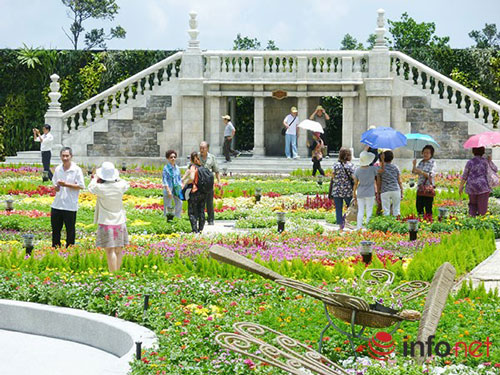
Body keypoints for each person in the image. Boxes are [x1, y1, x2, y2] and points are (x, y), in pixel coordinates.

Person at [88, 162, 129, 272]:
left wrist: (95, 178)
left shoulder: (101, 188)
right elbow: (125, 183)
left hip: (106, 222)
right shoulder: (120, 186)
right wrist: (115, 178)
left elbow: (91, 187)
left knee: (110, 251)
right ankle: (117, 273)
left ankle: (113, 275)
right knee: (119, 250)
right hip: (120, 220)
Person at [51, 147, 85, 247]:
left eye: (67, 156)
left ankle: (70, 251)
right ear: (60, 156)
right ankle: (56, 250)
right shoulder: (58, 169)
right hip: (57, 205)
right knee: (55, 231)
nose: (65, 158)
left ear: (71, 156)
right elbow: (55, 185)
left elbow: (81, 186)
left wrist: (65, 184)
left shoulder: (76, 170)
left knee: (70, 231)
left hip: (70, 205)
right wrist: (56, 187)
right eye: (63, 156)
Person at [459, 147, 497, 216]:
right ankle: (481, 222)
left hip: (472, 187)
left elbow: (465, 175)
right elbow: (495, 169)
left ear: (473, 151)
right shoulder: (485, 161)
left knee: (472, 205)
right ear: (483, 152)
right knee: (482, 207)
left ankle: (471, 221)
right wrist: (490, 161)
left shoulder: (470, 162)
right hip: (483, 186)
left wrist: (461, 187)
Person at [329, 148, 355, 228]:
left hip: (337, 190)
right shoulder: (351, 165)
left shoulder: (335, 165)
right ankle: (347, 222)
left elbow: (332, 177)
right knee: (349, 207)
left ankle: (340, 224)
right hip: (347, 190)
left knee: (338, 209)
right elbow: (354, 177)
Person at [353, 151, 378, 230]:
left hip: (360, 191)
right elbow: (379, 175)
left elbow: (356, 183)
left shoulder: (357, 170)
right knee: (369, 210)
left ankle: (358, 227)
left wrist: (354, 193)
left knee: (360, 210)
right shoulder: (373, 169)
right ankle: (368, 227)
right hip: (370, 191)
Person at [182, 152, 206, 233]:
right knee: (201, 211)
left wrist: (185, 182)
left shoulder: (193, 167)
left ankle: (194, 230)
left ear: (191, 159)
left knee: (192, 211)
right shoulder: (202, 167)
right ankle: (201, 229)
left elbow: (192, 178)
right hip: (203, 192)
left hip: (195, 192)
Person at [199, 141, 221, 225]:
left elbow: (216, 171)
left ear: (207, 148)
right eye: (200, 148)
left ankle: (211, 219)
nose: (201, 150)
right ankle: (201, 218)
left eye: (203, 148)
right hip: (199, 183)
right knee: (200, 201)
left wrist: (219, 182)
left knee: (209, 202)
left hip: (208, 182)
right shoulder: (197, 156)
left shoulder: (212, 157)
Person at [377, 150, 403, 217]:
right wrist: (402, 191)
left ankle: (387, 225)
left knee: (386, 211)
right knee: (396, 210)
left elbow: (379, 182)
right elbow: (399, 181)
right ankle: (397, 224)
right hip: (395, 189)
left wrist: (378, 193)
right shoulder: (395, 167)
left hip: (385, 190)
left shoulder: (380, 169)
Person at [412, 145, 436, 216]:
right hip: (420, 188)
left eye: (428, 153)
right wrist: (414, 165)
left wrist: (421, 172)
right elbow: (414, 172)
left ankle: (428, 222)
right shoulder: (421, 162)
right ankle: (421, 221)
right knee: (419, 207)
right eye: (424, 152)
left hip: (428, 188)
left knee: (428, 208)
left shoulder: (433, 163)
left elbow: (430, 175)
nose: (425, 154)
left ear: (431, 154)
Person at [162, 150, 183, 219]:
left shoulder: (177, 168)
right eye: (171, 157)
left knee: (180, 203)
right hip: (169, 188)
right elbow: (164, 180)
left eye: (174, 157)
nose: (173, 158)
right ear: (168, 158)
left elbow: (179, 178)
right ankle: (168, 220)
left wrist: (181, 186)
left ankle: (177, 218)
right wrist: (168, 191)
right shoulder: (166, 168)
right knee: (168, 205)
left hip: (176, 188)